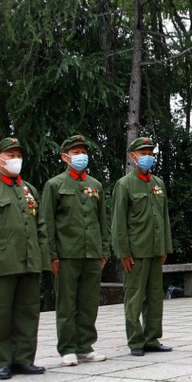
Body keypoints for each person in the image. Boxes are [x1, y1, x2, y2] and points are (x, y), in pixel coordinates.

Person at [0, 136, 49, 380]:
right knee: (1, 314)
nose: (16, 160)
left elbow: (41, 226)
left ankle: (24, 359)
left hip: (29, 261)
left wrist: (42, 260)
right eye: (11, 156)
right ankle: (2, 361)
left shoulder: (29, 190)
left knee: (28, 312)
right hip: (1, 264)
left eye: (19, 156)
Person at [41, 134, 109, 366]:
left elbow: (102, 221)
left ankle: (85, 346)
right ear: (65, 157)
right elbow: (47, 222)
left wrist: (104, 251)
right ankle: (67, 348)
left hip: (92, 253)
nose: (81, 156)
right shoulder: (55, 185)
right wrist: (52, 255)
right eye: (76, 152)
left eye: (83, 152)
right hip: (67, 254)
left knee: (89, 301)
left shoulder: (95, 185)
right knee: (66, 303)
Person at [111, 136, 174, 356]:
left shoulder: (158, 183)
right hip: (135, 251)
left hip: (156, 249)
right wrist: (123, 252)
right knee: (135, 297)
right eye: (143, 153)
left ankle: (152, 338)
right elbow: (118, 221)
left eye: (150, 153)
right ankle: (135, 341)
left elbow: (164, 216)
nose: (147, 157)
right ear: (133, 156)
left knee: (155, 295)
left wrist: (165, 246)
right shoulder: (124, 184)